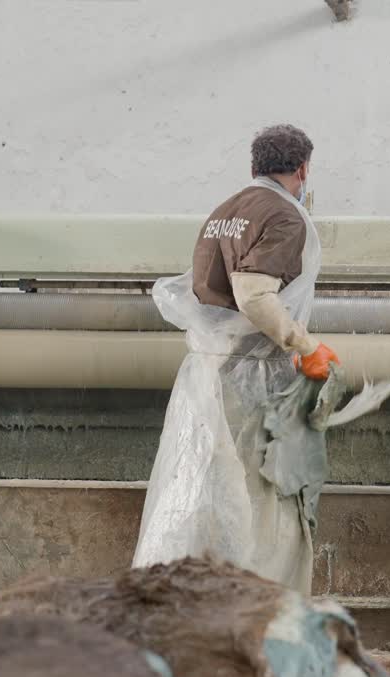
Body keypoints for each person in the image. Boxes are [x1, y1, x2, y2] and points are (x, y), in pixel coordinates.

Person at [133, 124, 339, 594]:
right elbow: (253, 295)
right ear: (303, 168)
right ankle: (263, 616)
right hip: (253, 379)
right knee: (270, 503)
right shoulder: (285, 217)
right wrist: (306, 347)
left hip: (207, 370)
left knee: (204, 495)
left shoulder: (225, 211)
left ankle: (184, 605)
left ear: (254, 167)